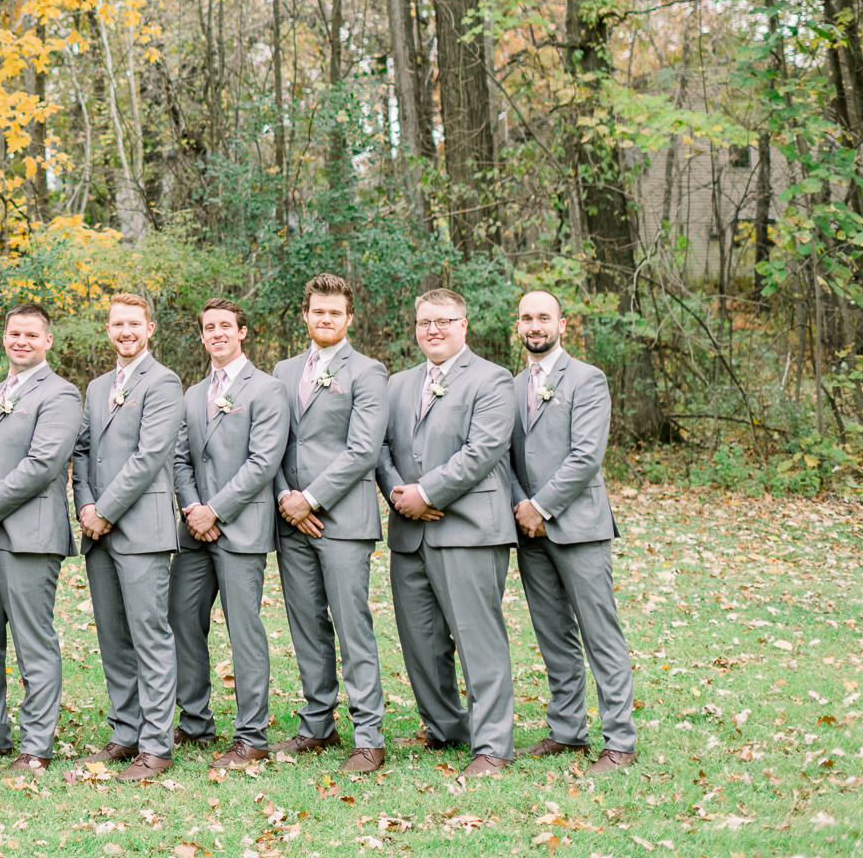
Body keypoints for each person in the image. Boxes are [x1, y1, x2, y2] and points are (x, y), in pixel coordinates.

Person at [375, 288, 518, 777]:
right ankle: (445, 727)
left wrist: (428, 493)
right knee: (420, 641)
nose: (432, 330)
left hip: (469, 529)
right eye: (424, 322)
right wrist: (400, 493)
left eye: (443, 321)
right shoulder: (397, 384)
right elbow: (381, 449)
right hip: (408, 532)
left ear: (464, 324)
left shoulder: (492, 379)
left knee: (478, 638)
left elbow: (484, 450)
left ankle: (493, 744)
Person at [509, 291, 636, 773]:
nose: (535, 325)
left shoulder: (586, 378)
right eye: (526, 318)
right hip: (529, 530)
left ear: (563, 322)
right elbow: (507, 453)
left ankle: (620, 740)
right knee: (552, 634)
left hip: (578, 526)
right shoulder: (513, 384)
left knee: (600, 633)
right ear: (517, 326)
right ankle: (567, 731)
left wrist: (541, 506)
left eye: (544, 316)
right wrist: (523, 506)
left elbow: (586, 456)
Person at [270, 273, 392, 774]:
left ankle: (369, 737)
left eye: (334, 312)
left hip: (341, 518)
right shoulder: (281, 370)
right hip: (289, 518)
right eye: (317, 311)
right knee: (306, 625)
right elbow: (269, 441)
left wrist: (313, 500)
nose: (325, 318)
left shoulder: (368, 371)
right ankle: (317, 724)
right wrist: (284, 496)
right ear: (305, 315)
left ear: (349, 318)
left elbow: (364, 449)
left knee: (351, 625)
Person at [0, 302, 83, 772]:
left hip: (28, 536)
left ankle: (35, 745)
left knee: (33, 641)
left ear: (48, 341)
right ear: (4, 337)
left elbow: (44, 463)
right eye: (15, 334)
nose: (22, 341)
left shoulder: (62, 394)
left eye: (32, 335)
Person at [170, 298, 289, 773]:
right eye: (208, 327)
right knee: (181, 616)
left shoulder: (268, 389)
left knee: (244, 631)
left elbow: (264, 461)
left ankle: (252, 735)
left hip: (242, 527)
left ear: (243, 332)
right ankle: (195, 720)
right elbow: (179, 459)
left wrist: (216, 510)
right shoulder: (192, 393)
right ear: (201, 336)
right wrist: (193, 508)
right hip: (194, 530)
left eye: (225, 326)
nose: (217, 333)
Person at [72, 293, 186, 781]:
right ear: (108, 329)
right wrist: (83, 505)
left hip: (141, 529)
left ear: (150, 329)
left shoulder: (163, 382)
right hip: (97, 529)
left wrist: (107, 510)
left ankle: (157, 745)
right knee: (113, 638)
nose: (125, 332)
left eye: (134, 324)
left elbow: (150, 455)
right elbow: (80, 451)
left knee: (150, 636)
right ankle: (126, 731)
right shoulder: (97, 387)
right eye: (117, 324)